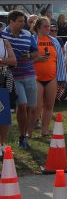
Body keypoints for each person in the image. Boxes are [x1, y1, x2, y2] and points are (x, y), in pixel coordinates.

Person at [2, 10, 38, 149]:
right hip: (13, 76)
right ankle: (22, 137)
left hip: (29, 73)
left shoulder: (28, 35)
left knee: (30, 107)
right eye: (20, 21)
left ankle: (24, 135)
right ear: (11, 21)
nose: (24, 23)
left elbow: (36, 53)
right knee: (22, 104)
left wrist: (28, 55)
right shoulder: (2, 34)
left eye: (24, 21)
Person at [31, 17, 67, 137]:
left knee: (49, 105)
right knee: (35, 107)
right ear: (38, 27)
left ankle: (45, 130)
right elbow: (25, 58)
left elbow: (60, 60)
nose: (49, 28)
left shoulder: (54, 41)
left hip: (52, 77)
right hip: (35, 77)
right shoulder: (32, 40)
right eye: (45, 26)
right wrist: (37, 59)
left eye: (49, 26)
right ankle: (28, 132)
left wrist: (61, 78)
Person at [0, 33, 17, 156]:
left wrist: (1, 61)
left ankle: (2, 144)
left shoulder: (5, 42)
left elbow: (13, 61)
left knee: (4, 115)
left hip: (4, 81)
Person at [50, 25, 67, 93]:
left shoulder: (59, 39)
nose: (54, 32)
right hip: (51, 58)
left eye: (56, 31)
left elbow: (63, 52)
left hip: (60, 57)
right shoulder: (47, 39)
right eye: (52, 31)